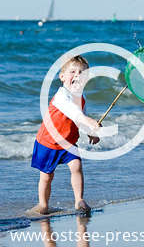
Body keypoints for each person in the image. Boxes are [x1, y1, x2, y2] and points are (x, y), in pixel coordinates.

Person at [30, 55, 100, 215]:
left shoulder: (82, 98)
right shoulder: (61, 96)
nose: (77, 75)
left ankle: (79, 200)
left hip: (68, 142)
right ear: (62, 77)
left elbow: (80, 119)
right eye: (72, 72)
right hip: (48, 142)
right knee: (47, 176)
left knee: (76, 166)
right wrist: (89, 121)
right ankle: (43, 205)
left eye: (82, 73)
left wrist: (90, 132)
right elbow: (76, 114)